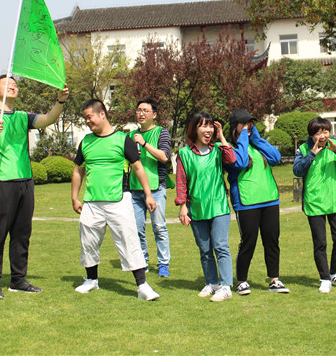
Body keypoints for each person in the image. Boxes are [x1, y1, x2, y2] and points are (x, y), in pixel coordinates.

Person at [0, 74, 69, 300]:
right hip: (1, 182)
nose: (12, 87)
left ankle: (18, 280)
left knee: (22, 234)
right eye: (7, 84)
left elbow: (47, 119)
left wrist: (60, 101)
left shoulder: (22, 117)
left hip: (25, 181)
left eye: (15, 85)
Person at [70, 99, 160, 301]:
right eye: (85, 118)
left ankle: (142, 286)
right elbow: (78, 171)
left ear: (102, 114)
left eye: (89, 117)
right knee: (88, 242)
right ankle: (91, 280)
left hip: (119, 200)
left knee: (129, 240)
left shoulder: (123, 139)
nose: (87, 121)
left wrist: (147, 194)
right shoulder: (86, 142)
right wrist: (74, 197)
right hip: (92, 202)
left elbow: (138, 168)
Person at [225, 109, 289, 296]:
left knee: (272, 241)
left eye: (250, 124)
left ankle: (274, 280)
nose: (248, 127)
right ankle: (242, 281)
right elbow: (242, 162)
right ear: (234, 127)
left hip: (269, 200)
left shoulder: (256, 145)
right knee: (248, 242)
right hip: (247, 202)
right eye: (243, 124)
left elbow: (276, 158)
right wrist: (244, 137)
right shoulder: (229, 149)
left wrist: (257, 139)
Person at [175, 112, 236, 302]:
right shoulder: (184, 154)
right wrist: (183, 207)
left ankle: (226, 286)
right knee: (205, 249)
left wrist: (223, 137)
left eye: (211, 126)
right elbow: (181, 182)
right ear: (195, 129)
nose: (208, 130)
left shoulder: (218, 149)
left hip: (218, 206)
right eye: (203, 126)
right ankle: (212, 283)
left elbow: (232, 160)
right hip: (197, 208)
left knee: (220, 246)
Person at [293, 117, 336, 293]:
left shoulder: (334, 146)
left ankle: (335, 273)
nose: (323, 135)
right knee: (320, 242)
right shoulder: (303, 149)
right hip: (314, 202)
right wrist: (312, 153)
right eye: (318, 132)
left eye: (325, 131)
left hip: (335, 200)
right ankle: (324, 278)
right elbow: (297, 170)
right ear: (312, 135)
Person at [128, 98, 172, 277]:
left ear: (154, 114)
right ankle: (142, 261)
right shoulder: (130, 136)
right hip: (134, 188)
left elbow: (164, 156)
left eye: (145, 110)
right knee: (137, 229)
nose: (141, 113)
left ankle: (163, 263)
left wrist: (144, 143)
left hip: (156, 187)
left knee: (159, 227)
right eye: (139, 110)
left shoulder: (162, 132)